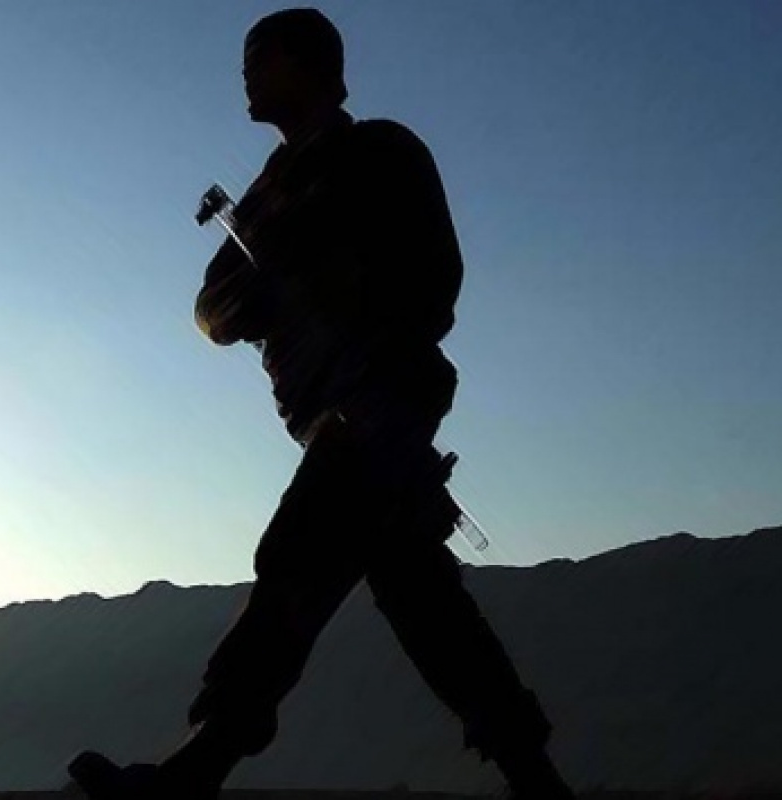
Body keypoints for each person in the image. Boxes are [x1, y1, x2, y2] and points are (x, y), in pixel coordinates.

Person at [68, 8, 574, 800]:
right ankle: (535, 777)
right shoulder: (264, 196)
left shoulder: (379, 152)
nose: (245, 74)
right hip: (325, 416)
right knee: (419, 596)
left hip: (379, 402)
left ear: (311, 65)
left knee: (295, 558)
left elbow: (435, 280)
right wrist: (259, 289)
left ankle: (199, 765)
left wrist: (332, 274)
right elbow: (211, 310)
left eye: (260, 57)